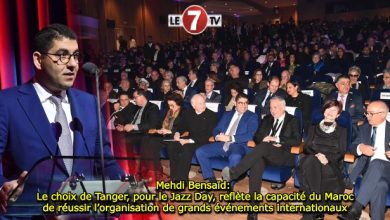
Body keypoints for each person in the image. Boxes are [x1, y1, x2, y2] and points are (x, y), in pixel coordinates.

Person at [0, 24, 123, 215]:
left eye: (75, 56)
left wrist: (123, 187)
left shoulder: (89, 103)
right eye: (62, 55)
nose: (73, 64)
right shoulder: (7, 103)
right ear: (39, 60)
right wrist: (2, 189)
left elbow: (105, 162)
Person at [222, 96, 301, 220]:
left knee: (263, 147)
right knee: (256, 163)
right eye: (270, 107)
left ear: (283, 107)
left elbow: (296, 140)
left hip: (283, 155)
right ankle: (253, 209)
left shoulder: (293, 120)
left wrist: (277, 139)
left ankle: (234, 173)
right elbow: (257, 137)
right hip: (265, 153)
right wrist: (264, 139)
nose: (272, 110)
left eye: (275, 107)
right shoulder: (267, 119)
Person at [339, 101, 390, 220]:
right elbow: (352, 147)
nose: (367, 116)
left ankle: (356, 207)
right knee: (380, 186)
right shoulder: (364, 129)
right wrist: (360, 147)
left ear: (383, 114)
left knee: (377, 162)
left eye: (371, 114)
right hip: (370, 174)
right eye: (367, 113)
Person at [299, 100, 347, 220]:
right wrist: (317, 155)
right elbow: (306, 147)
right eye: (328, 109)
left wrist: (327, 159)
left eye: (334, 110)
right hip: (313, 158)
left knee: (310, 165)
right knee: (311, 161)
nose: (330, 112)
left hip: (330, 164)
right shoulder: (313, 127)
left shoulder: (342, 130)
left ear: (338, 115)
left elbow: (341, 152)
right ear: (323, 111)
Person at [196, 93, 258, 182]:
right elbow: (217, 129)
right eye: (241, 103)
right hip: (222, 143)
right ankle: (210, 179)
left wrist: (229, 138)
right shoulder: (227, 114)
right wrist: (217, 136)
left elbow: (249, 135)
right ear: (235, 103)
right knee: (200, 151)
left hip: (238, 145)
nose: (244, 105)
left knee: (235, 156)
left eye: (246, 103)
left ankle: (229, 184)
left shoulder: (252, 116)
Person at [167, 94, 218, 182]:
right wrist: (178, 133)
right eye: (200, 103)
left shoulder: (211, 115)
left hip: (203, 141)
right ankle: (174, 176)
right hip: (191, 139)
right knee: (173, 145)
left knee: (186, 148)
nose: (204, 105)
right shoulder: (189, 113)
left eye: (203, 103)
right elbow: (182, 126)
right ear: (193, 105)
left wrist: (189, 140)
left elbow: (208, 134)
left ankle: (181, 181)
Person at [139, 93, 184, 180]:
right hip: (164, 135)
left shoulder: (184, 112)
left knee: (172, 146)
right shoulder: (167, 111)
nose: (170, 107)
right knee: (148, 140)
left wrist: (170, 131)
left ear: (178, 103)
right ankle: (155, 170)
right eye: (169, 105)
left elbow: (184, 128)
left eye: (172, 105)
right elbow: (159, 123)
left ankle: (174, 177)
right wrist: (159, 129)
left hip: (175, 136)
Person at [326, 75, 364, 139]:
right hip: (331, 124)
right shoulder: (330, 97)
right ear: (337, 85)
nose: (347, 86)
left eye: (348, 83)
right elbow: (324, 112)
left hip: (349, 126)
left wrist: (345, 121)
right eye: (343, 84)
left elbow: (359, 115)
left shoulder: (356, 98)